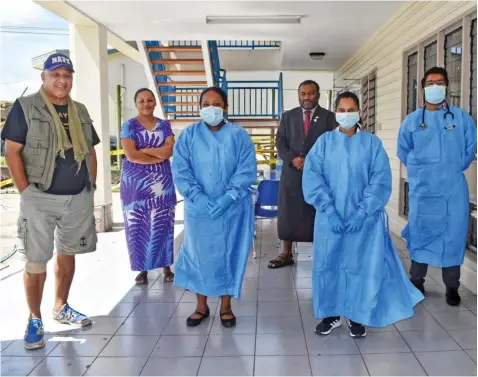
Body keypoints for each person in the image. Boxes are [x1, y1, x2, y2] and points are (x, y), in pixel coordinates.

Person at [303, 91, 423, 337]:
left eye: (351, 109)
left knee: (360, 265)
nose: (347, 114)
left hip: (364, 220)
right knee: (329, 264)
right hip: (330, 219)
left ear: (360, 112)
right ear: (336, 112)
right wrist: (328, 209)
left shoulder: (372, 144)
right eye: (342, 110)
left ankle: (357, 314)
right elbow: (313, 178)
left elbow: (379, 181)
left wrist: (363, 212)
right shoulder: (324, 143)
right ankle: (331, 314)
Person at [1, 53, 100, 349]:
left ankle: (61, 306)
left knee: (68, 253)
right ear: (43, 78)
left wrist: (90, 186)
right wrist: (25, 191)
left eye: (67, 75)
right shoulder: (26, 107)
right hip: (40, 197)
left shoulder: (79, 110)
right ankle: (34, 317)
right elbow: (12, 150)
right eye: (55, 74)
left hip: (76, 199)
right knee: (36, 259)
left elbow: (92, 150)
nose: (62, 80)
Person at [172, 87, 256, 328]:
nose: (211, 108)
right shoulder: (189, 136)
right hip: (200, 211)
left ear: (225, 108)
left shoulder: (239, 135)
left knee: (229, 255)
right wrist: (196, 196)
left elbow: (246, 168)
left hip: (232, 209)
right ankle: (201, 306)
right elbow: (181, 169)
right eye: (206, 104)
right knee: (200, 256)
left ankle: (226, 307)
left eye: (216, 103)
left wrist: (229, 196)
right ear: (200, 108)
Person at [397, 67, 477, 306]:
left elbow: (469, 149)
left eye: (440, 82)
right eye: (430, 83)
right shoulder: (412, 121)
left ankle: (452, 287)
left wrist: (449, 168)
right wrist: (424, 169)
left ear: (446, 87)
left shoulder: (461, 118)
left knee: (452, 237)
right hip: (424, 190)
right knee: (421, 235)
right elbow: (404, 151)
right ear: (423, 88)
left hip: (452, 191)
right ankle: (417, 281)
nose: (435, 87)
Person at [269, 80, 335, 269]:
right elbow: (280, 141)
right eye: (303, 94)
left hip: (319, 174)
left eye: (311, 93)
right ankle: (286, 253)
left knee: (318, 212)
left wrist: (312, 161)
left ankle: (322, 254)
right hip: (292, 173)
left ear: (318, 94)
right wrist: (292, 158)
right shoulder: (288, 116)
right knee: (289, 213)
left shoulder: (329, 117)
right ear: (299, 95)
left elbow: (332, 144)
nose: (306, 97)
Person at [120, 88, 176, 285]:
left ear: (154, 102)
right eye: (142, 100)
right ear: (136, 104)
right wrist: (157, 154)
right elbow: (131, 155)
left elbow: (169, 151)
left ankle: (166, 266)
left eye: (150, 100)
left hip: (162, 184)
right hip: (135, 185)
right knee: (138, 225)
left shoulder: (164, 125)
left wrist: (146, 150)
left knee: (163, 223)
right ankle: (142, 269)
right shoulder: (128, 126)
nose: (146, 104)